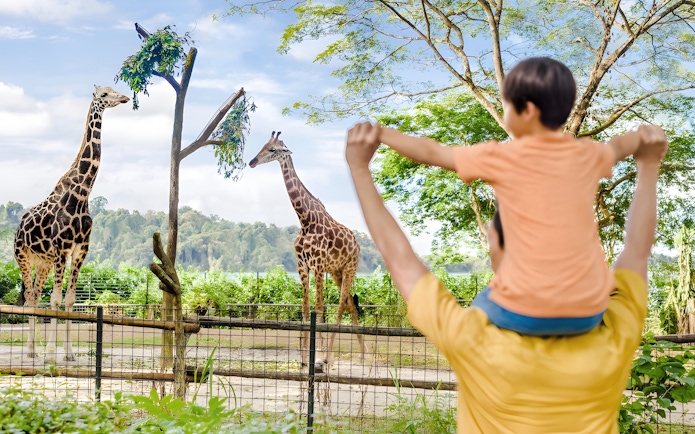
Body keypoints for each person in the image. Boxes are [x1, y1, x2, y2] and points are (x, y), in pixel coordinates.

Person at [345, 120, 667, 432]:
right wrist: (648, 166)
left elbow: (399, 259)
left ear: (496, 245)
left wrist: (360, 169)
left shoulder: (473, 339)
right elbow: (637, 251)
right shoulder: (613, 332)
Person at [365, 57, 656, 336]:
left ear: (527, 110)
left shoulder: (503, 156)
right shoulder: (589, 154)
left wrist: (382, 134)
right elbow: (620, 145)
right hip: (588, 312)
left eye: (506, 106)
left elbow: (432, 152)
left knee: (476, 311)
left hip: (523, 313)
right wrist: (645, 136)